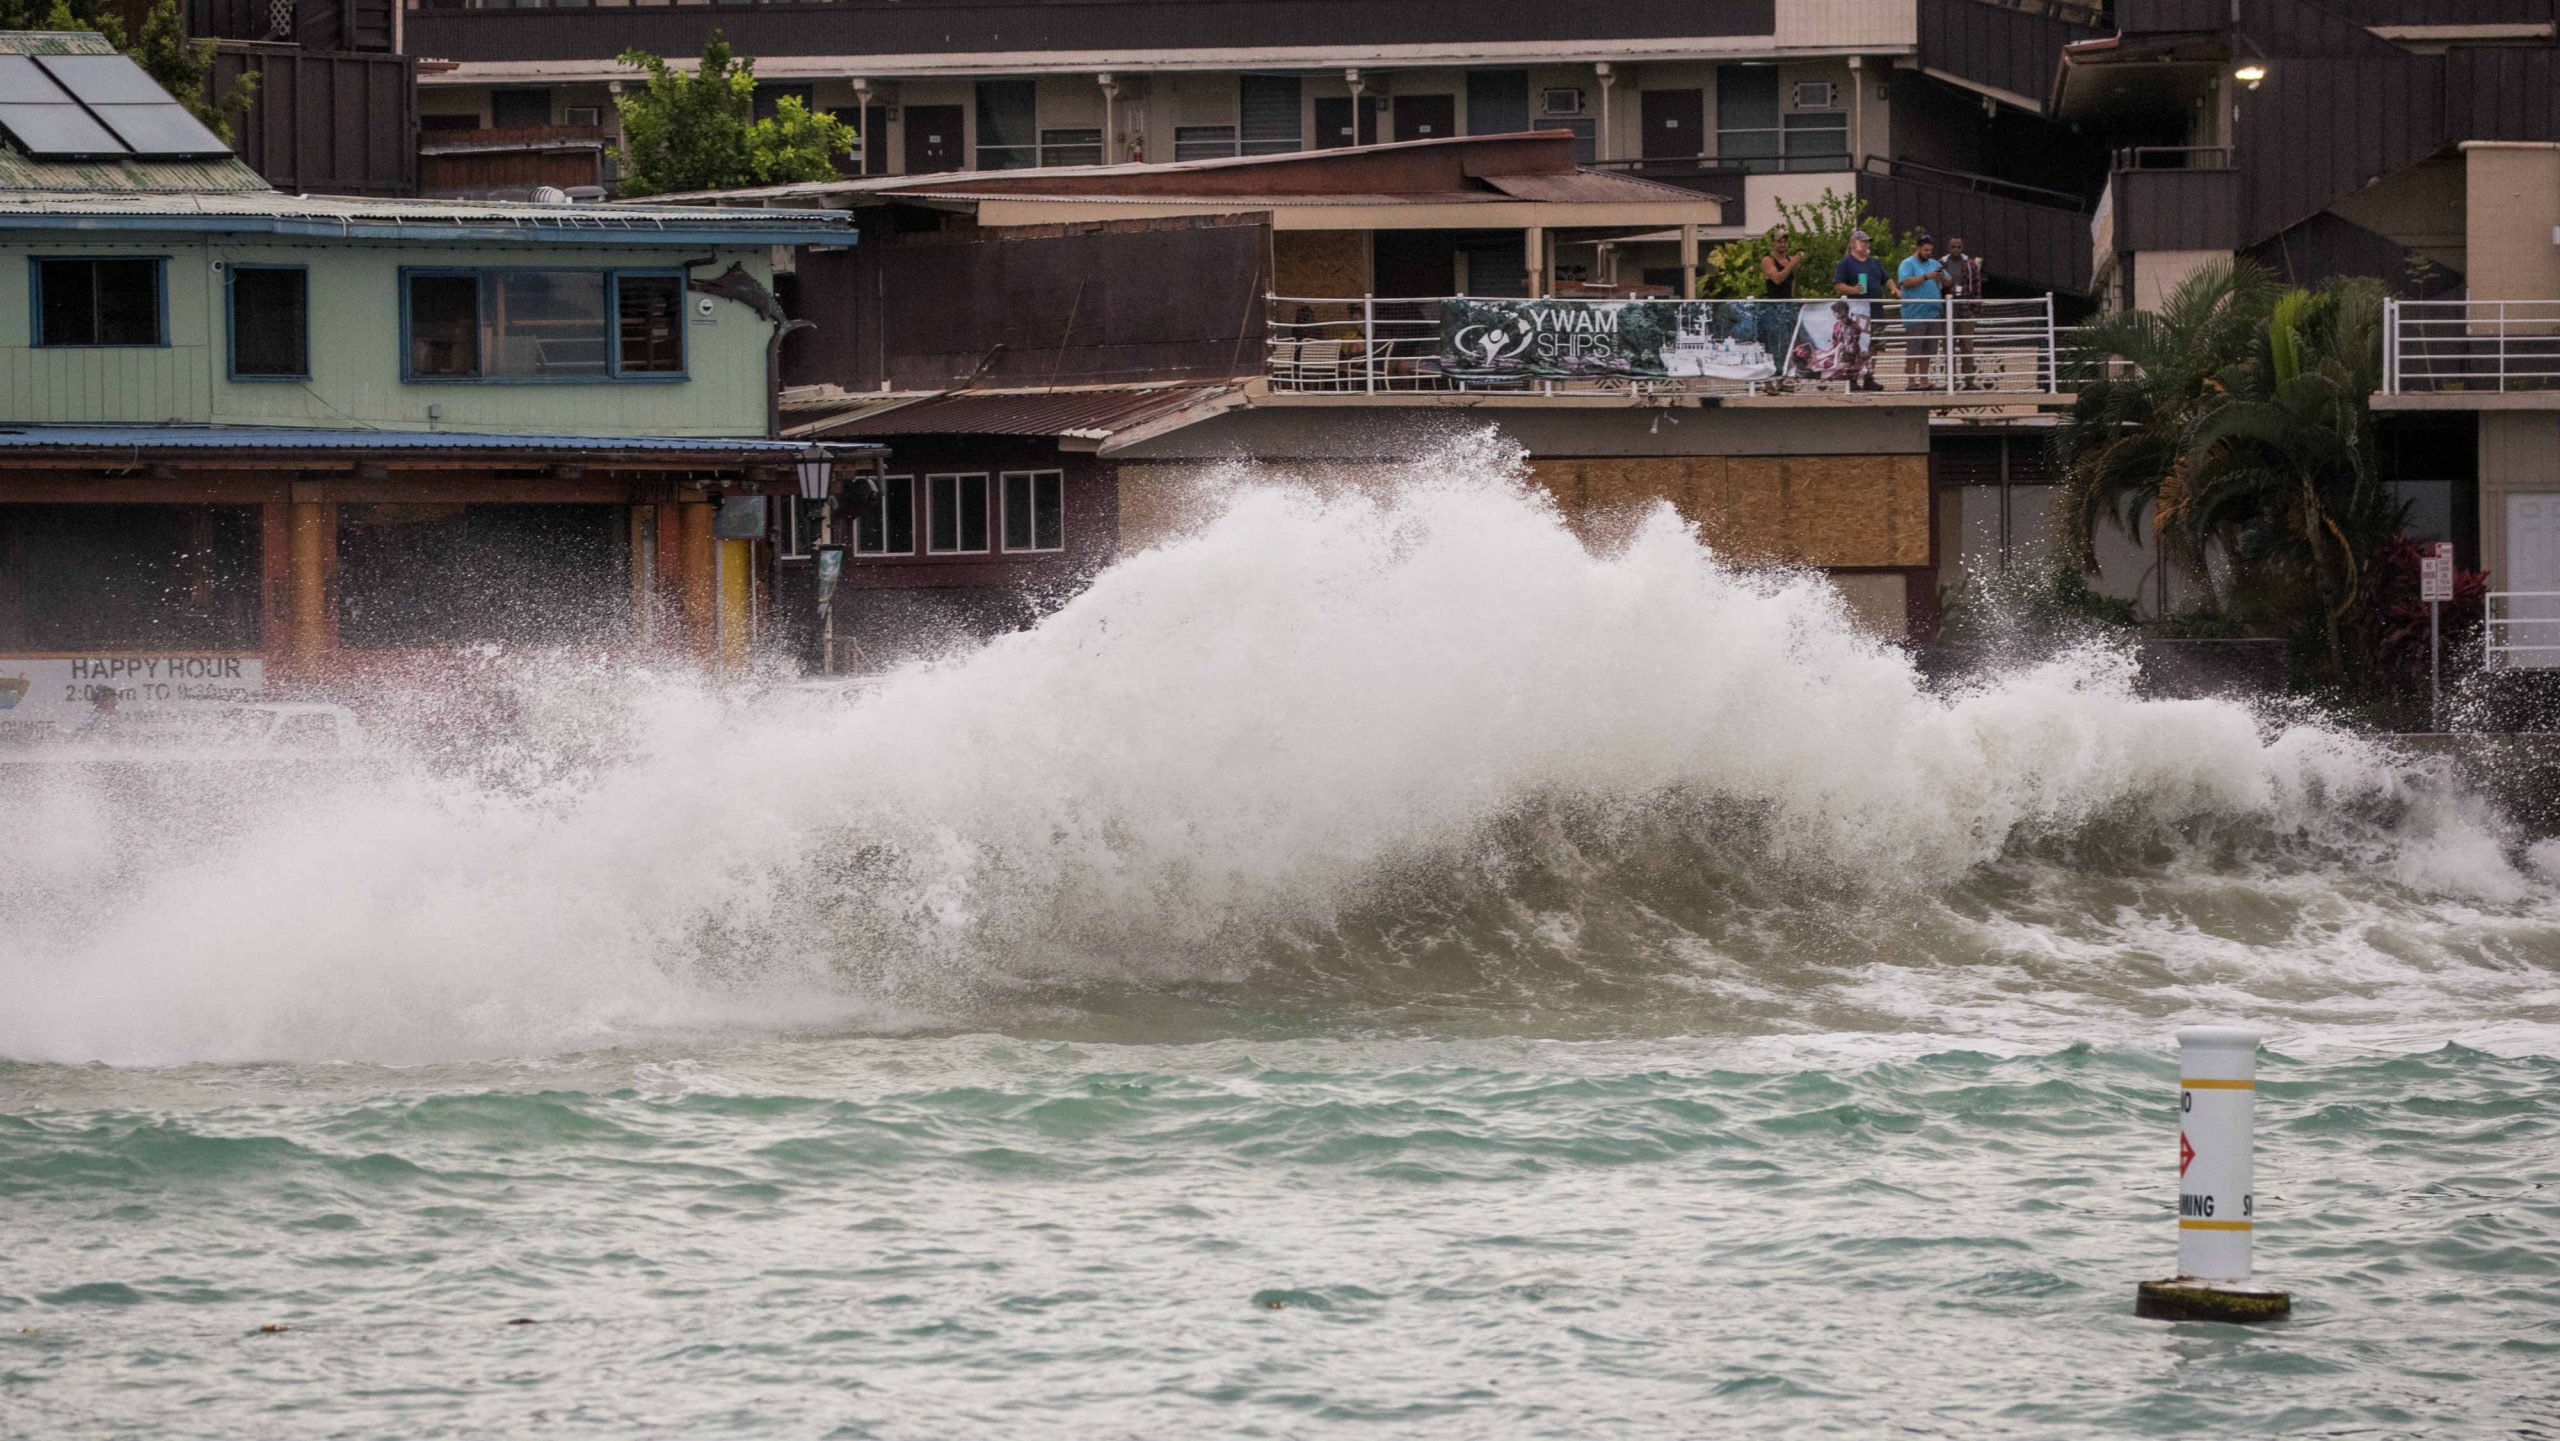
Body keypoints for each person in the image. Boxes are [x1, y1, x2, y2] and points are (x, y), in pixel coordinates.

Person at [1830, 229, 1896, 393]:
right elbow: (1838, 285)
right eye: (1863, 241)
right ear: (1854, 243)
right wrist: (1853, 290)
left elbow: (1886, 278)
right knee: (1854, 345)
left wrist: (1894, 288)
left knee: (1874, 345)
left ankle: (1869, 377)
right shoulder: (1846, 263)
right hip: (1856, 312)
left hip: (1876, 311)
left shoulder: (1874, 262)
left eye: (1867, 241)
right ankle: (1852, 378)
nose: (1866, 244)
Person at [1895, 233, 1949, 392]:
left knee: (1928, 348)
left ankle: (1924, 380)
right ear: (1918, 248)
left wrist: (1942, 279)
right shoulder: (1907, 264)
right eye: (1925, 250)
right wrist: (1927, 277)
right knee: (1914, 347)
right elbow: (1906, 282)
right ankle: (1911, 382)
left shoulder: (1934, 263)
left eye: (1930, 250)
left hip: (1932, 313)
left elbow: (1949, 280)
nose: (1928, 253)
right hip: (1915, 313)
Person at [1941, 233, 1985, 389]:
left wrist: (1975, 311)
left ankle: (1969, 380)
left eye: (1958, 247)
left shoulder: (1970, 264)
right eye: (1953, 247)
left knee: (1967, 345)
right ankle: (1951, 380)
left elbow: (1977, 289)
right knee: (1948, 347)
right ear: (1948, 247)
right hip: (1947, 312)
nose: (1956, 249)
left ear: (1962, 247)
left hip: (1966, 311)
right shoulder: (1942, 264)